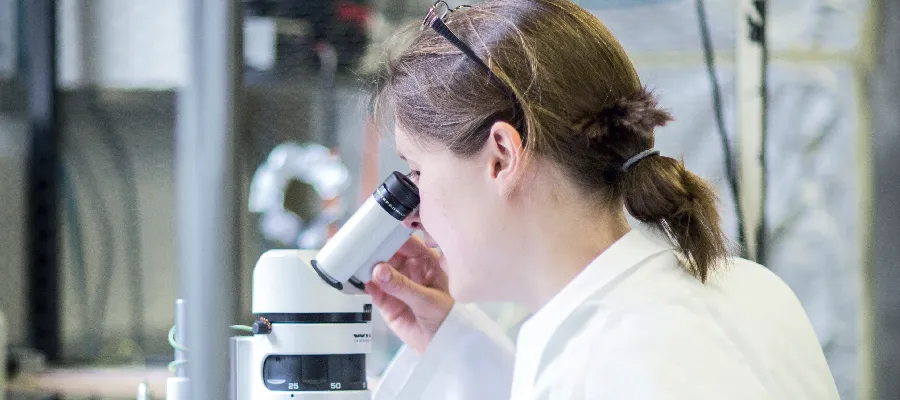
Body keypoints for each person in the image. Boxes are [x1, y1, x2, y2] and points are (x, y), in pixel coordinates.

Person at [364, 0, 841, 398]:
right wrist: (460, 346)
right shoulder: (748, 289)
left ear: (502, 157)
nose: (412, 216)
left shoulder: (604, 367)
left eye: (418, 172)